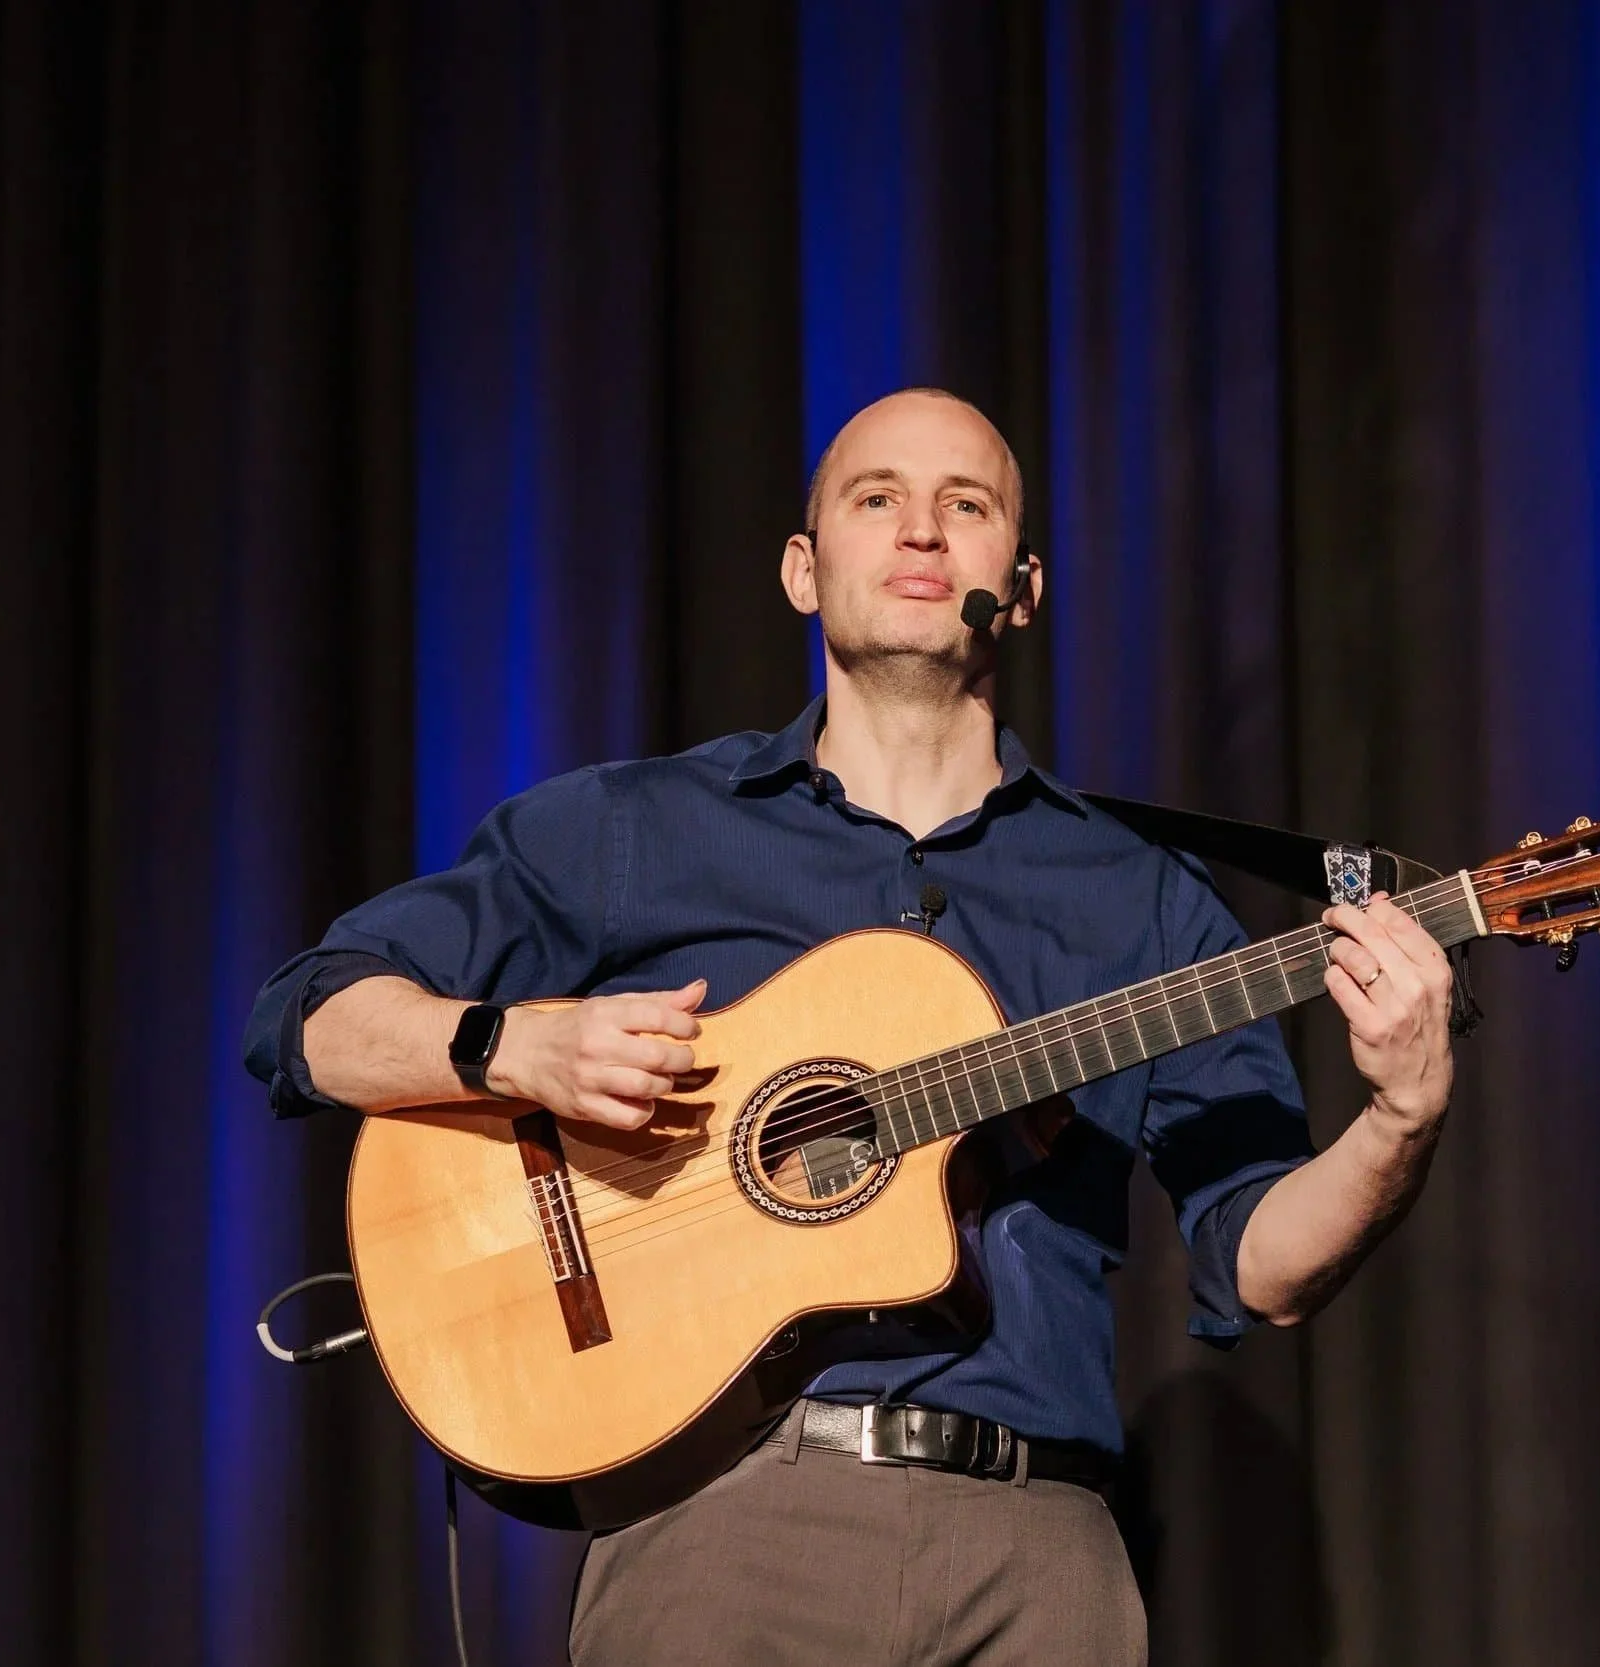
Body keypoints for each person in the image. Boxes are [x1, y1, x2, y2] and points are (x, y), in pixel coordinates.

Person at [243, 388, 1456, 1664]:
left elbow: (1259, 1262)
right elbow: (308, 1013)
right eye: (877, 499)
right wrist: (516, 1047)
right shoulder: (632, 831)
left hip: (1035, 1550)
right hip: (717, 1529)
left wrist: (1401, 1115)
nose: (922, 532)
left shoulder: (1144, 894)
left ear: (1024, 585)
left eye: (966, 506)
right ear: (803, 570)